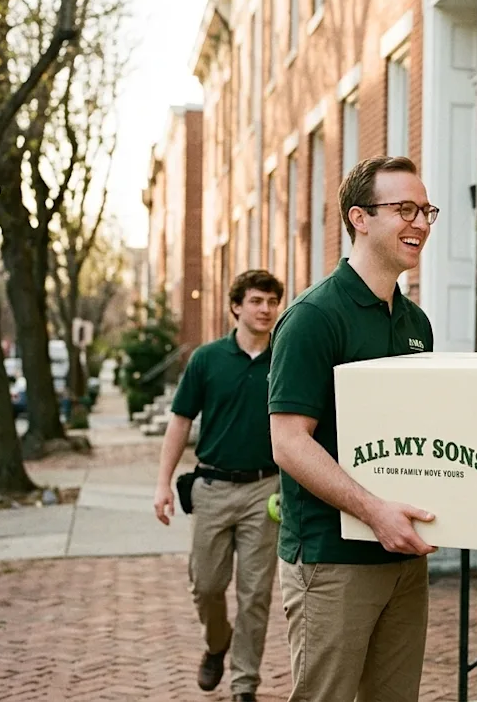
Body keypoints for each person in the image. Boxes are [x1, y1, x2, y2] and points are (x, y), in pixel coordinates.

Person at [267, 155, 439, 701]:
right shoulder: (315, 317)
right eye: (404, 209)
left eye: (426, 210)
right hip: (331, 556)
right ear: (359, 218)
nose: (419, 223)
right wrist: (374, 511)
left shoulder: (416, 323)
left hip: (404, 555)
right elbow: (290, 442)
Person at [152, 270, 286, 700]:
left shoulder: (284, 357)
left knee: (255, 595)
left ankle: (244, 683)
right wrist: (163, 484)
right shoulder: (207, 359)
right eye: (256, 301)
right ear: (236, 307)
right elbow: (179, 423)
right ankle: (216, 643)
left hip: (264, 492)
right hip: (210, 487)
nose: (265, 309)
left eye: (271, 301)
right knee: (206, 586)